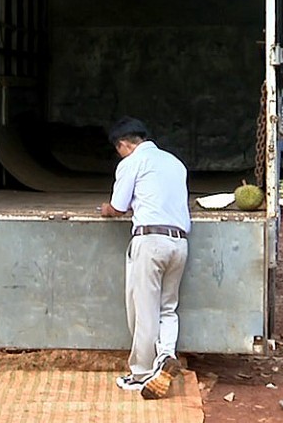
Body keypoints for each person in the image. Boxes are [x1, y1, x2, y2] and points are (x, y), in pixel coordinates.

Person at [100, 117, 190, 400]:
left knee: (143, 310)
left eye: (119, 149)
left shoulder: (131, 163)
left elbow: (118, 206)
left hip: (150, 241)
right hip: (179, 243)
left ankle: (140, 374)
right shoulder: (175, 163)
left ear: (124, 144)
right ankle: (165, 357)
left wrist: (106, 209)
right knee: (167, 307)